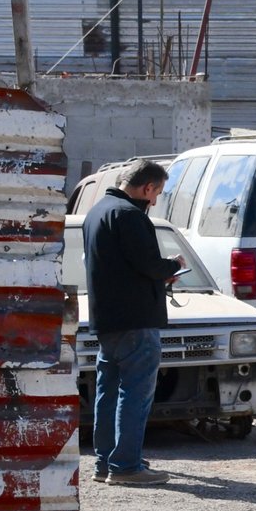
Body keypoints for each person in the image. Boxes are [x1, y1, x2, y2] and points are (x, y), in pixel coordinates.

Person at [83, 158, 183, 486]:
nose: (154, 202)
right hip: (135, 320)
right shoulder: (129, 215)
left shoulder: (98, 212)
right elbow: (148, 265)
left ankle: (105, 462)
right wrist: (172, 266)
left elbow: (122, 267)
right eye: (156, 193)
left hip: (108, 319)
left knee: (108, 391)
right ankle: (126, 466)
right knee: (135, 392)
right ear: (147, 187)